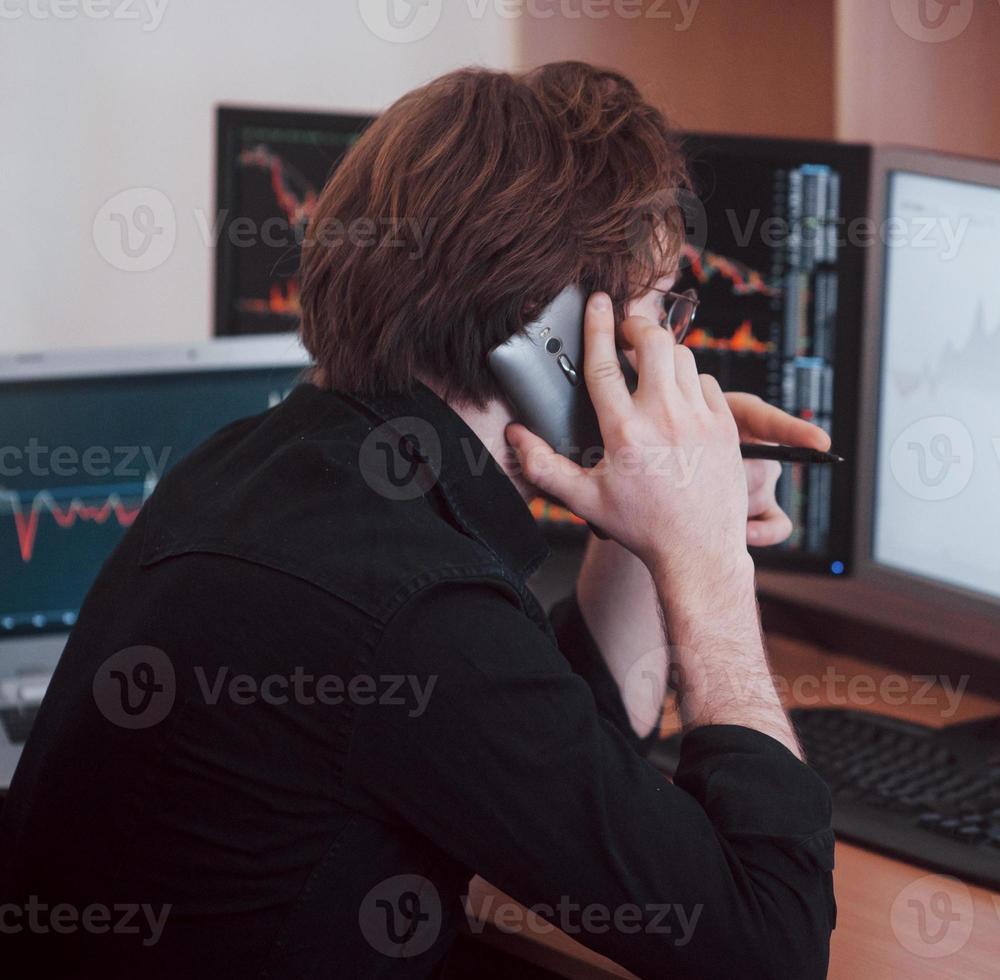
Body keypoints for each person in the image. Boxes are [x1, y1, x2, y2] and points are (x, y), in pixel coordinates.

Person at [0, 63, 836, 979]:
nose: (669, 350)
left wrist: (660, 511)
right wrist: (709, 562)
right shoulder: (414, 609)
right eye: (662, 308)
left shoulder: (260, 465)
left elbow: (556, 760)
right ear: (549, 327)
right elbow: (767, 946)